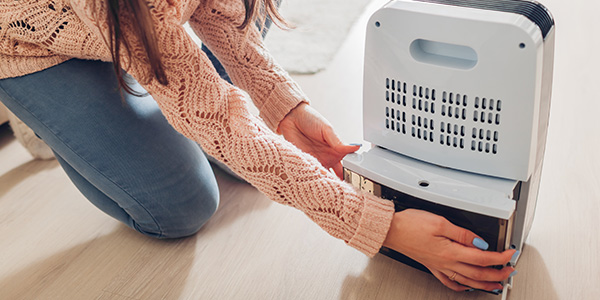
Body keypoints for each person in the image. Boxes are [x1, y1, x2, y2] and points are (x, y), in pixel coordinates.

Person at [0, 0, 517, 293]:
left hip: (137, 24)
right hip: (30, 40)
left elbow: (219, 14)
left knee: (250, 151)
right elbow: (217, 115)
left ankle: (150, 73)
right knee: (182, 208)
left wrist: (285, 108)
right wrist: (373, 225)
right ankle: (50, 109)